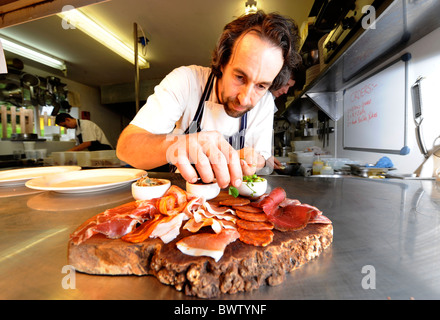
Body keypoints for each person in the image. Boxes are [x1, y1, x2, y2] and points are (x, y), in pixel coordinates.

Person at [117, 11, 301, 189]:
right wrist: (180, 144)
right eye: (239, 77)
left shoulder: (265, 102)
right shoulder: (187, 81)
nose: (245, 99)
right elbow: (126, 147)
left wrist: (254, 160)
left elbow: (262, 156)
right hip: (183, 198)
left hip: (233, 204)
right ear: (222, 62)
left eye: (261, 86)